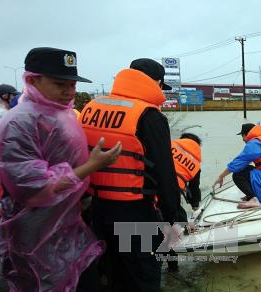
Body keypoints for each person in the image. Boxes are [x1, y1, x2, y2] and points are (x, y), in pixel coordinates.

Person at [0, 47, 122, 291]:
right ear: (32, 80)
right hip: (35, 231)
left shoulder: (62, 114)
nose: (69, 91)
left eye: (72, 85)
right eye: (60, 84)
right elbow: (32, 186)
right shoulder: (19, 123)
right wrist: (92, 166)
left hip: (68, 223)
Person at [81, 58, 180, 291]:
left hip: (96, 208)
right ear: (155, 82)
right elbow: (165, 173)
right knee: (142, 274)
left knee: (111, 271)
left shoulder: (92, 107)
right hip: (134, 212)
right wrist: (172, 217)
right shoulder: (149, 116)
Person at [213, 123, 261, 209]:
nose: (243, 140)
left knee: (238, 173)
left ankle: (254, 200)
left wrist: (221, 176)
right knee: (248, 168)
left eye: (242, 136)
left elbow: (237, 164)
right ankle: (251, 195)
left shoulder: (255, 143)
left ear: (246, 134)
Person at [167, 133, 202, 272]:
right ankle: (173, 268)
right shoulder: (195, 162)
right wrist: (195, 205)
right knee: (173, 229)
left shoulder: (166, 146)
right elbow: (194, 187)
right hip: (169, 198)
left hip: (145, 192)